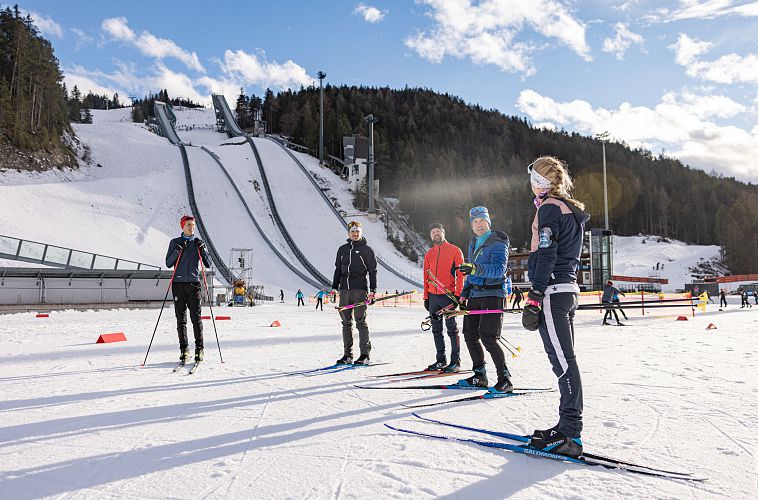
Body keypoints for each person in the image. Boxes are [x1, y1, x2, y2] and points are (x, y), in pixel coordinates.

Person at [521, 156, 590, 458]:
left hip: (553, 291)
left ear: (540, 181)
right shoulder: (568, 209)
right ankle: (566, 426)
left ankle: (570, 434)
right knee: (565, 361)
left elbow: (547, 252)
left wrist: (535, 294)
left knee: (563, 363)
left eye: (532, 177)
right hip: (567, 291)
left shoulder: (550, 207)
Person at [457, 206, 513, 392]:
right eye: (475, 222)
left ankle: (505, 379)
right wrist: (465, 291)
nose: (479, 225)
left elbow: (498, 269)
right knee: (470, 335)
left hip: (493, 294)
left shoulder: (498, 242)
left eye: (482, 221)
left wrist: (474, 269)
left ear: (488, 222)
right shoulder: (474, 242)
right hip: (475, 294)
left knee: (488, 337)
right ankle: (479, 375)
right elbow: (471, 271)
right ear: (471, 225)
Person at [165, 215, 212, 365]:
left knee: (196, 318)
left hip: (193, 284)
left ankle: (200, 348)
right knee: (181, 319)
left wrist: (203, 249)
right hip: (178, 284)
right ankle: (184, 349)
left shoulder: (198, 244)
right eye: (188, 225)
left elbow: (208, 264)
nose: (191, 227)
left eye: (193, 225)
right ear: (182, 226)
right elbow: (168, 263)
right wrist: (177, 252)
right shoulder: (175, 243)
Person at [331, 221, 377, 365]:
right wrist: (334, 287)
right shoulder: (342, 249)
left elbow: (372, 271)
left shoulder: (367, 250)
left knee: (360, 321)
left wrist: (373, 290)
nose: (355, 234)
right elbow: (338, 270)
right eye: (352, 231)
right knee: (346, 322)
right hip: (345, 289)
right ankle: (348, 355)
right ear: (348, 233)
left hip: (360, 289)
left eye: (357, 231)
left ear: (361, 232)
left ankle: (364, 354)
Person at [422, 223, 465, 373]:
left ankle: (455, 362)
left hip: (448, 296)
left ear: (443, 233)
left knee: (452, 329)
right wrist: (426, 297)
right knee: (436, 329)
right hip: (433, 297)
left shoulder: (454, 250)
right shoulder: (429, 254)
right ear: (431, 235)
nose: (436, 234)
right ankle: (441, 360)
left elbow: (461, 275)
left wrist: (458, 295)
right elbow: (426, 276)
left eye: (438, 231)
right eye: (433, 232)